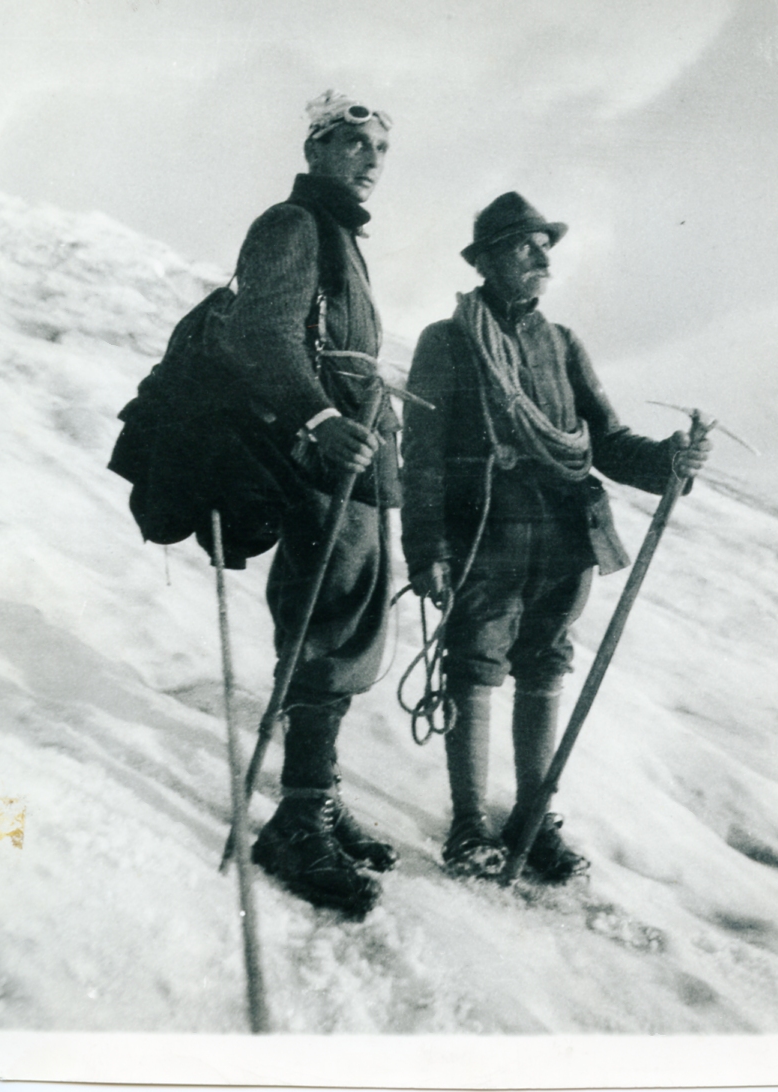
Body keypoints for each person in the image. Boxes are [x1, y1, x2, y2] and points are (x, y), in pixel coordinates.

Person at [401, 192, 710, 881]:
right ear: (485, 261)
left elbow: (607, 440)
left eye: (546, 245)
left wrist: (669, 463)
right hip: (485, 537)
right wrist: (427, 549)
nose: (541, 257)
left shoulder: (562, 343)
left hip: (564, 540)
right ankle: (470, 825)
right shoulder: (446, 342)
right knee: (474, 670)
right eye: (523, 245)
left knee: (544, 668)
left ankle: (531, 820)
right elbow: (419, 457)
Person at [207, 91, 400, 914]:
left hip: (353, 462)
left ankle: (313, 793)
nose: (370, 158)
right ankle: (296, 820)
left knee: (347, 625)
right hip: (321, 459)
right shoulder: (294, 226)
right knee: (322, 628)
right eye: (353, 142)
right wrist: (320, 420)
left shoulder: (340, 236)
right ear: (317, 148)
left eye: (380, 149)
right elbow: (263, 334)